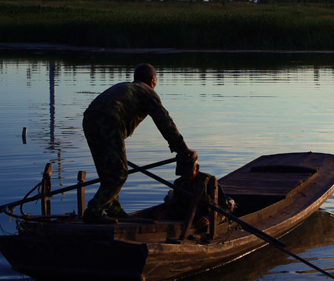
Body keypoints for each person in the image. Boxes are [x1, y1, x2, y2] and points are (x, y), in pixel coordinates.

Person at [82, 63, 192, 223]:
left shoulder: (126, 87)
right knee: (119, 173)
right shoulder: (147, 91)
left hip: (89, 119)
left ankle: (114, 209)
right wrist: (182, 148)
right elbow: (164, 121)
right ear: (153, 80)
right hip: (109, 119)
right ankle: (94, 210)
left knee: (107, 172)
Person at [164, 150, 234, 239]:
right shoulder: (179, 183)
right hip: (187, 218)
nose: (185, 177)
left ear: (196, 168)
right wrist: (164, 212)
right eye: (182, 174)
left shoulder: (209, 182)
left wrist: (209, 218)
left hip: (206, 219)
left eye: (188, 174)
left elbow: (225, 209)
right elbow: (176, 205)